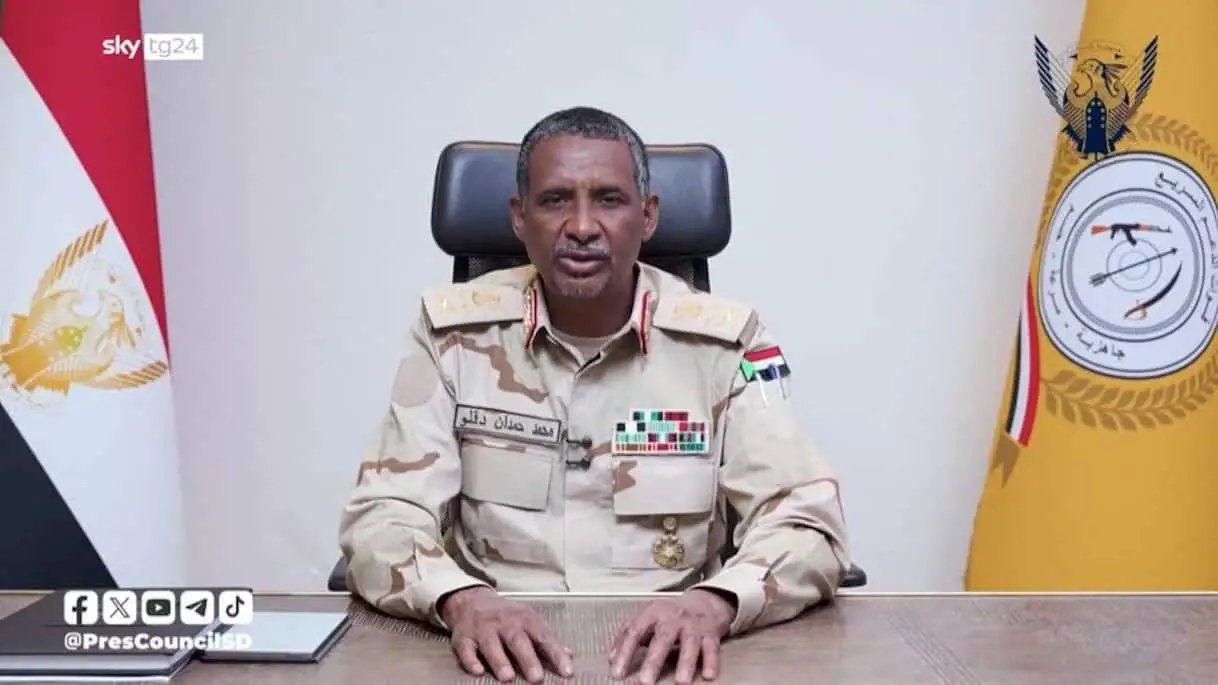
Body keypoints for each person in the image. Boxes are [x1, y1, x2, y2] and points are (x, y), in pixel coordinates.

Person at [338, 106, 850, 685]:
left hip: (668, 658)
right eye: (555, 200)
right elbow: (383, 515)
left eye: (608, 199)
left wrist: (717, 602)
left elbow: (806, 522)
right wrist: (459, 599)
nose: (582, 226)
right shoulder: (451, 335)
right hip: (493, 657)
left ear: (648, 217)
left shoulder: (727, 343)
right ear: (519, 217)